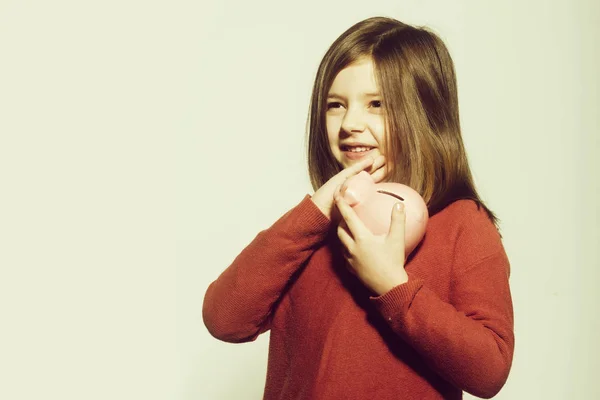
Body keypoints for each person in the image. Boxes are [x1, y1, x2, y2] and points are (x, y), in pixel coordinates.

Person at [202, 16, 514, 399]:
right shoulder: (312, 228)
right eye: (336, 105)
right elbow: (224, 318)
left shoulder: (462, 223)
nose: (350, 123)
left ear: (425, 114)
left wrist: (393, 286)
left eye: (377, 104)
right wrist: (317, 208)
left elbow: (489, 371)